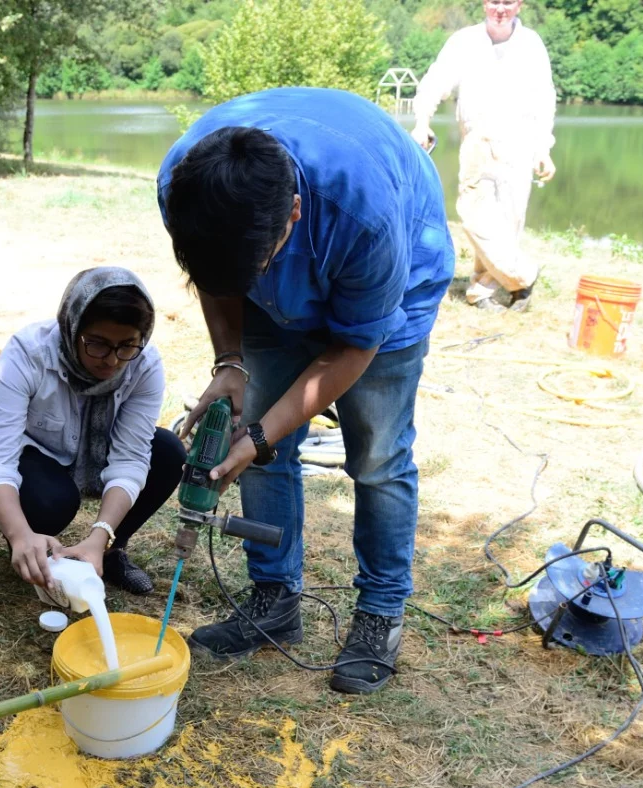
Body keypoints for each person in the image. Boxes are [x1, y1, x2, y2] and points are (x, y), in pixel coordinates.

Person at [157, 87, 454, 695]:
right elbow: (216, 274)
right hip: (269, 262)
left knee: (377, 455)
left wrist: (266, 431)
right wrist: (231, 363)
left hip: (390, 275)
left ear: (292, 214)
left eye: (256, 265)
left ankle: (380, 612)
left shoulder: (363, 217)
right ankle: (274, 600)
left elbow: (352, 349)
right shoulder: (185, 182)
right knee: (254, 439)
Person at [0, 267, 184, 595]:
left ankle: (107, 551)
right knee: (52, 500)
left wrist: (100, 534)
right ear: (72, 325)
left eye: (126, 346)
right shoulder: (28, 353)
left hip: (90, 453)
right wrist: (20, 534)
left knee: (166, 453)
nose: (112, 360)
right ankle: (31, 544)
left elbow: (131, 458)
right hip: (30, 454)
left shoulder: (144, 364)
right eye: (98, 344)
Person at [411, 0, 556, 312]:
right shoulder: (464, 41)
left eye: (507, 2)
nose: (500, 9)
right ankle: (523, 276)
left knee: (510, 219)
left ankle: (487, 289)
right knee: (474, 215)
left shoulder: (531, 44)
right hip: (477, 138)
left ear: (519, 5)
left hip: (520, 141)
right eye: (493, 1)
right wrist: (422, 121)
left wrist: (544, 148)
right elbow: (435, 81)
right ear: (484, 4)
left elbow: (545, 98)